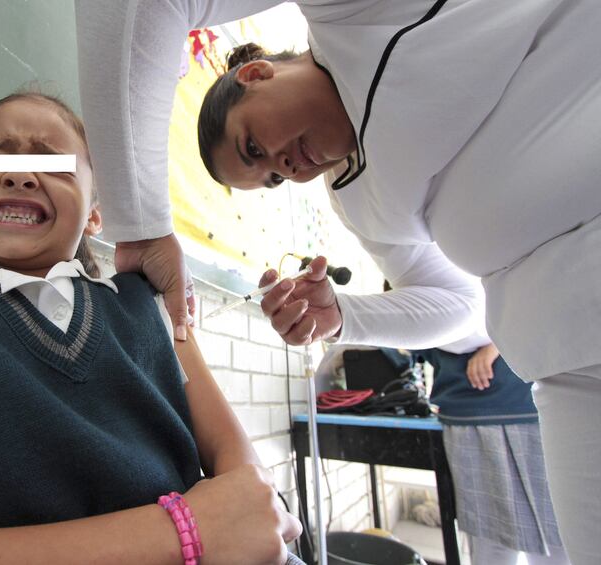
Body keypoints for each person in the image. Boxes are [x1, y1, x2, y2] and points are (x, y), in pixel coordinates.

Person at [74, 2, 601, 562]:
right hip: (574, 364)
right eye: (273, 178)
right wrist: (344, 316)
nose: (285, 167)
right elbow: (463, 305)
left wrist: (142, 227)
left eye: (255, 147)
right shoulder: (358, 201)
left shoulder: (353, 17)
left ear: (253, 75)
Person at [0, 92, 302, 564]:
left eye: (55, 164)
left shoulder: (147, 304)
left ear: (96, 215)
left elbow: (239, 469)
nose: (20, 175)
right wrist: (186, 531)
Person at [417, 338, 569, 565]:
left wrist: (498, 344)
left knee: (558, 533)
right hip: (468, 412)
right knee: (490, 537)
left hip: (530, 407)